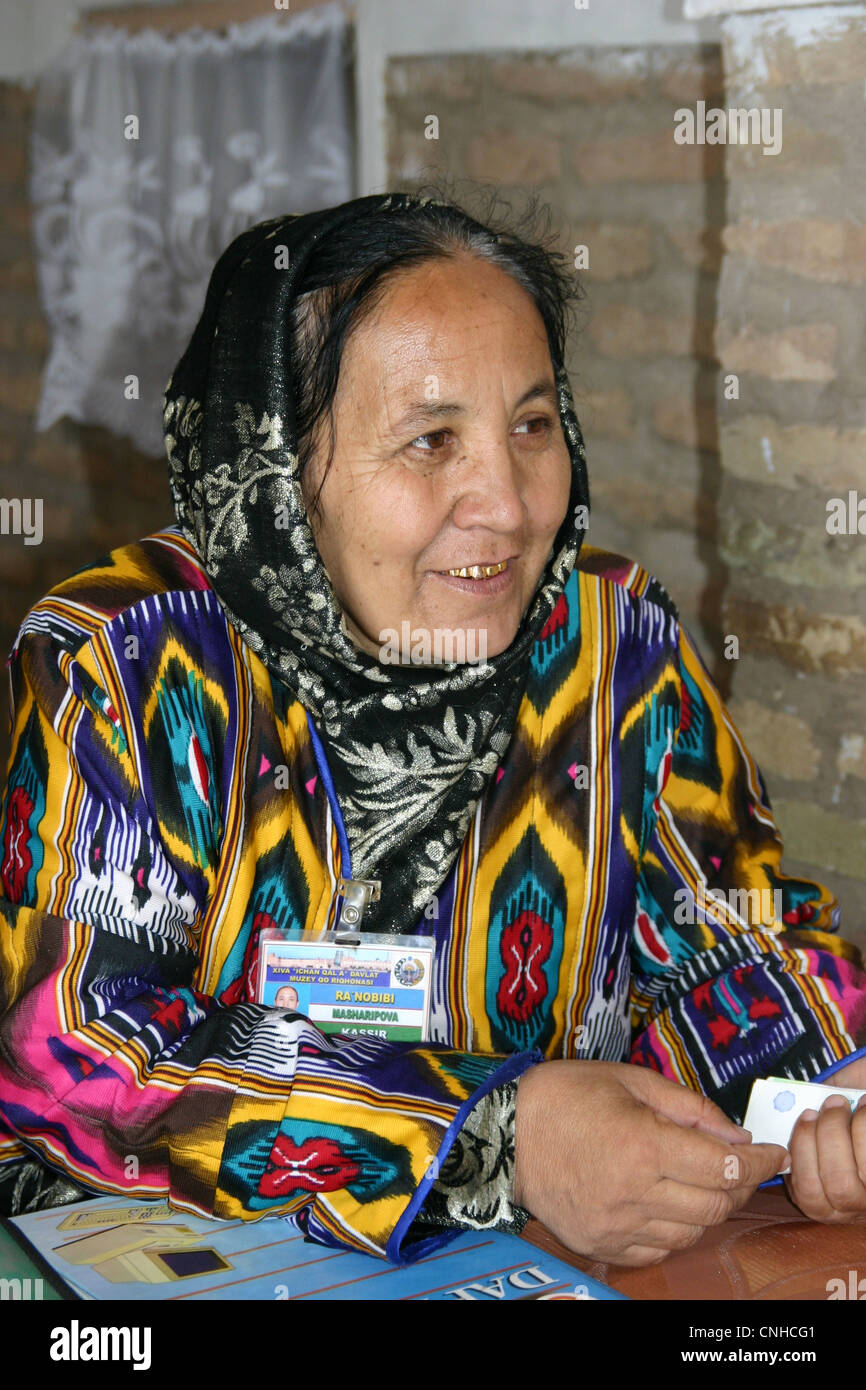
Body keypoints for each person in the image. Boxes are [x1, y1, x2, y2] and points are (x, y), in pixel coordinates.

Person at [1, 191, 864, 1266]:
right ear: (279, 465)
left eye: (531, 425)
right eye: (429, 440)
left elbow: (729, 933)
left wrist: (828, 1083)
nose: (504, 503)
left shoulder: (611, 643)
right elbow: (74, 1051)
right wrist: (493, 1133)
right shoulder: (135, 664)